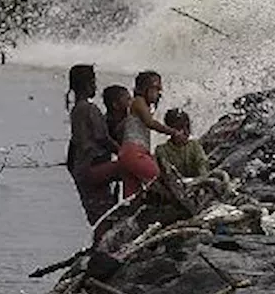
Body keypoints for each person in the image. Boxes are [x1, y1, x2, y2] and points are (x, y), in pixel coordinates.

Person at [65, 65, 120, 224]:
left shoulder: (76, 110)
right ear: (87, 84)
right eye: (93, 82)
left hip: (81, 168)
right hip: (93, 166)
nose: (95, 86)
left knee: (99, 214)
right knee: (128, 167)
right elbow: (102, 138)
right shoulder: (90, 109)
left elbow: (74, 144)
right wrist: (123, 152)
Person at [118, 70, 185, 198]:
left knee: (133, 197)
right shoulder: (138, 101)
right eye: (156, 89)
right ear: (145, 89)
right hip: (135, 153)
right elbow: (150, 123)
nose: (159, 93)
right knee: (160, 180)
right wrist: (173, 132)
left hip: (127, 154)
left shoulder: (138, 105)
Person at [154, 108, 210, 178]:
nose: (186, 132)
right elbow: (166, 174)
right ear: (170, 130)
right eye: (179, 128)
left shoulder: (194, 146)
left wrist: (202, 177)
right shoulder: (162, 151)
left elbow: (202, 166)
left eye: (187, 127)